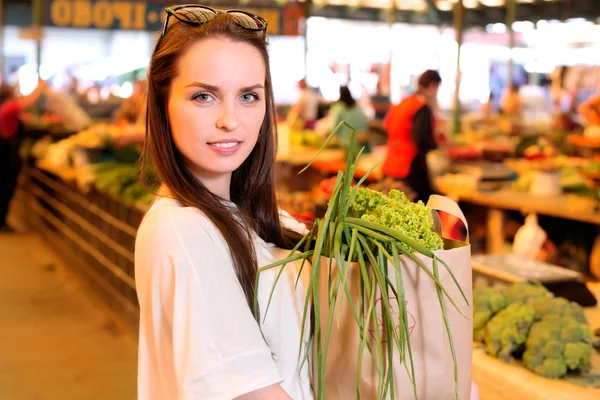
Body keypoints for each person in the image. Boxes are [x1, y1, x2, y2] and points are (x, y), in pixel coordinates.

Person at [135, 6, 313, 399]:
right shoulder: (183, 231)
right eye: (204, 96)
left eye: (248, 96)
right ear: (163, 103)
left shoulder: (250, 219)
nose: (230, 120)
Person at [382, 70, 441, 203]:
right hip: (410, 168)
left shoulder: (403, 103)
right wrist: (437, 146)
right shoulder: (421, 107)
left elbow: (386, 126)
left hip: (390, 164)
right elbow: (420, 138)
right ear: (433, 86)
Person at [0, 80, 47, 232]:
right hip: (6, 155)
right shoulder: (9, 107)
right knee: (6, 187)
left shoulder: (5, 108)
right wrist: (39, 89)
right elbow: (27, 103)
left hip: (7, 152)